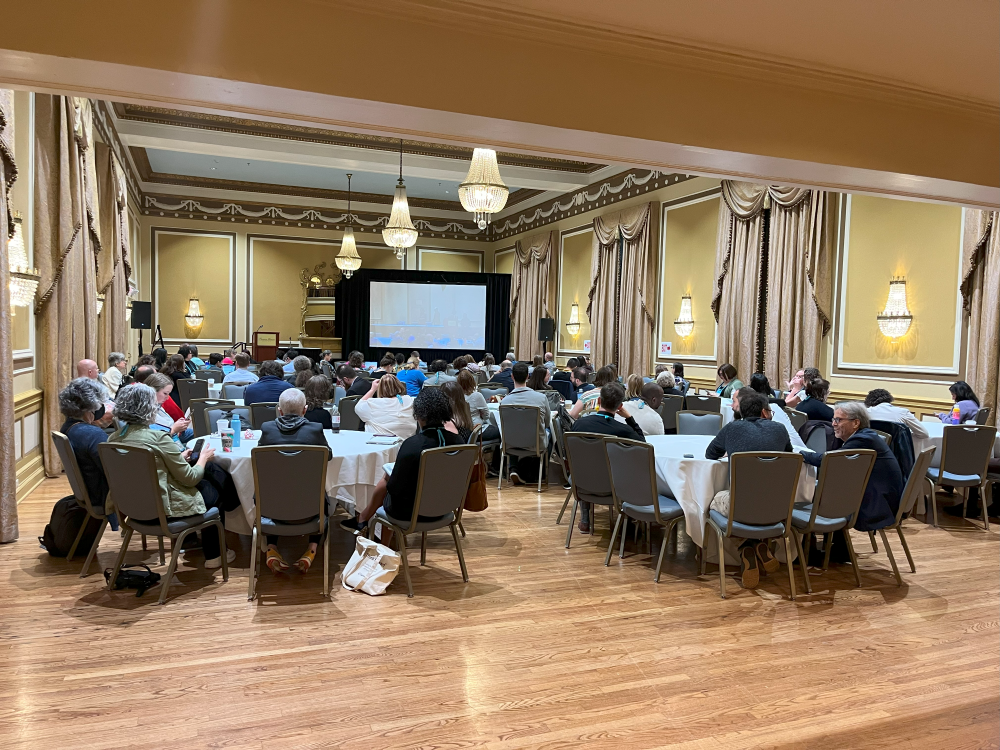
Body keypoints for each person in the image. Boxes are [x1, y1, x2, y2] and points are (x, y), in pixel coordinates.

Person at [109, 384, 238, 568]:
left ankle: (197, 540)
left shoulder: (113, 439)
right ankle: (215, 554)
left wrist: (179, 458)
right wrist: (203, 458)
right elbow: (190, 478)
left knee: (212, 479)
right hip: (164, 509)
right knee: (214, 488)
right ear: (148, 409)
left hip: (132, 508)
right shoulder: (159, 438)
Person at [704, 390, 793, 586]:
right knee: (752, 506)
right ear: (764, 412)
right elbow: (789, 456)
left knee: (710, 501)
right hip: (778, 507)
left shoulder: (732, 428)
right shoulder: (780, 429)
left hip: (740, 506)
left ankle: (746, 547)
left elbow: (710, 454)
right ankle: (756, 545)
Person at [355, 389, 463, 533]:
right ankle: (366, 522)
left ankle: (368, 525)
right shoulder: (459, 442)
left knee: (387, 481)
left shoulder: (412, 444)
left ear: (418, 414)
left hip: (409, 513)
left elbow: (394, 488)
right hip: (446, 509)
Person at [258, 388, 332, 573]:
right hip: (310, 507)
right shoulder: (315, 430)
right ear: (305, 410)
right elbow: (328, 455)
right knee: (323, 497)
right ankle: (311, 549)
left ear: (279, 410)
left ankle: (272, 548)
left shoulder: (267, 429)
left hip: (271, 507)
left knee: (274, 491)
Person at [803, 401, 904, 531]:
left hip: (879, 503)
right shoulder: (865, 435)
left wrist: (800, 453)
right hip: (878, 495)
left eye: (838, 420)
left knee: (825, 496)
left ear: (856, 423)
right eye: (833, 419)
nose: (833, 424)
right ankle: (835, 546)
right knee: (830, 490)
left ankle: (821, 545)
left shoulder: (862, 440)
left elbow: (829, 460)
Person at [570, 382, 645, 533]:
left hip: (581, 482)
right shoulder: (624, 431)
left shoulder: (579, 425)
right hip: (613, 486)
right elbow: (643, 447)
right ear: (619, 407)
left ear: (598, 401)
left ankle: (585, 519)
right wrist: (629, 418)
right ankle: (628, 519)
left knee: (586, 467)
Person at [58, 378, 111, 511]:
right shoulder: (93, 434)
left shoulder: (67, 427)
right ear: (91, 406)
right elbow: (113, 471)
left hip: (88, 492)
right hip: (103, 496)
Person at [499, 362, 552, 485]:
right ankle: (539, 474)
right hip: (535, 444)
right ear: (528, 376)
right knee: (549, 433)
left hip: (510, 445)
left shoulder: (504, 402)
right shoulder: (541, 398)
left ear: (512, 377)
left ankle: (514, 468)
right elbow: (547, 422)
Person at [731, 385, 806, 450]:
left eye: (734, 401)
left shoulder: (751, 424)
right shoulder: (774, 408)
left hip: (791, 457)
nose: (731, 406)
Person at [354, 374, 417, 438]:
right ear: (399, 385)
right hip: (407, 444)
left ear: (380, 389)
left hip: (381, 445)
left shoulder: (373, 404)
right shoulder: (412, 400)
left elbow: (358, 407)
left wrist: (372, 390)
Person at [143, 373, 193, 441]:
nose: (167, 398)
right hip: (167, 440)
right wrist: (174, 429)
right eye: (165, 393)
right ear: (152, 391)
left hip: (173, 435)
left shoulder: (156, 404)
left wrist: (178, 426)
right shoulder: (144, 411)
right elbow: (154, 439)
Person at [865, 389, 929, 440]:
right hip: (896, 453)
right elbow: (923, 434)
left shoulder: (866, 412)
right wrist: (903, 436)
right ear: (889, 399)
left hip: (871, 451)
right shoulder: (902, 412)